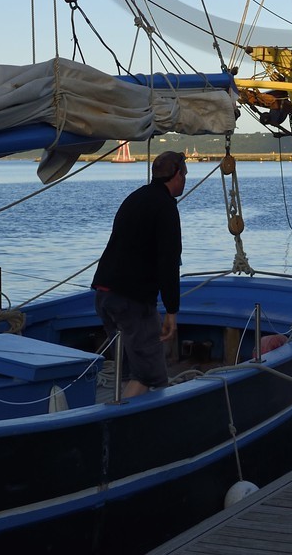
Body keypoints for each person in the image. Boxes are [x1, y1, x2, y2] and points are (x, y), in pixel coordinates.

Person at [92, 149, 187, 397]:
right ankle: (120, 427)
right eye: (185, 174)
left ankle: (119, 410)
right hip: (132, 300)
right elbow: (168, 263)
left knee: (128, 371)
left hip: (105, 294)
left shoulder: (134, 198)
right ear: (177, 175)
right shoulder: (165, 207)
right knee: (150, 376)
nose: (186, 179)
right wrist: (172, 313)